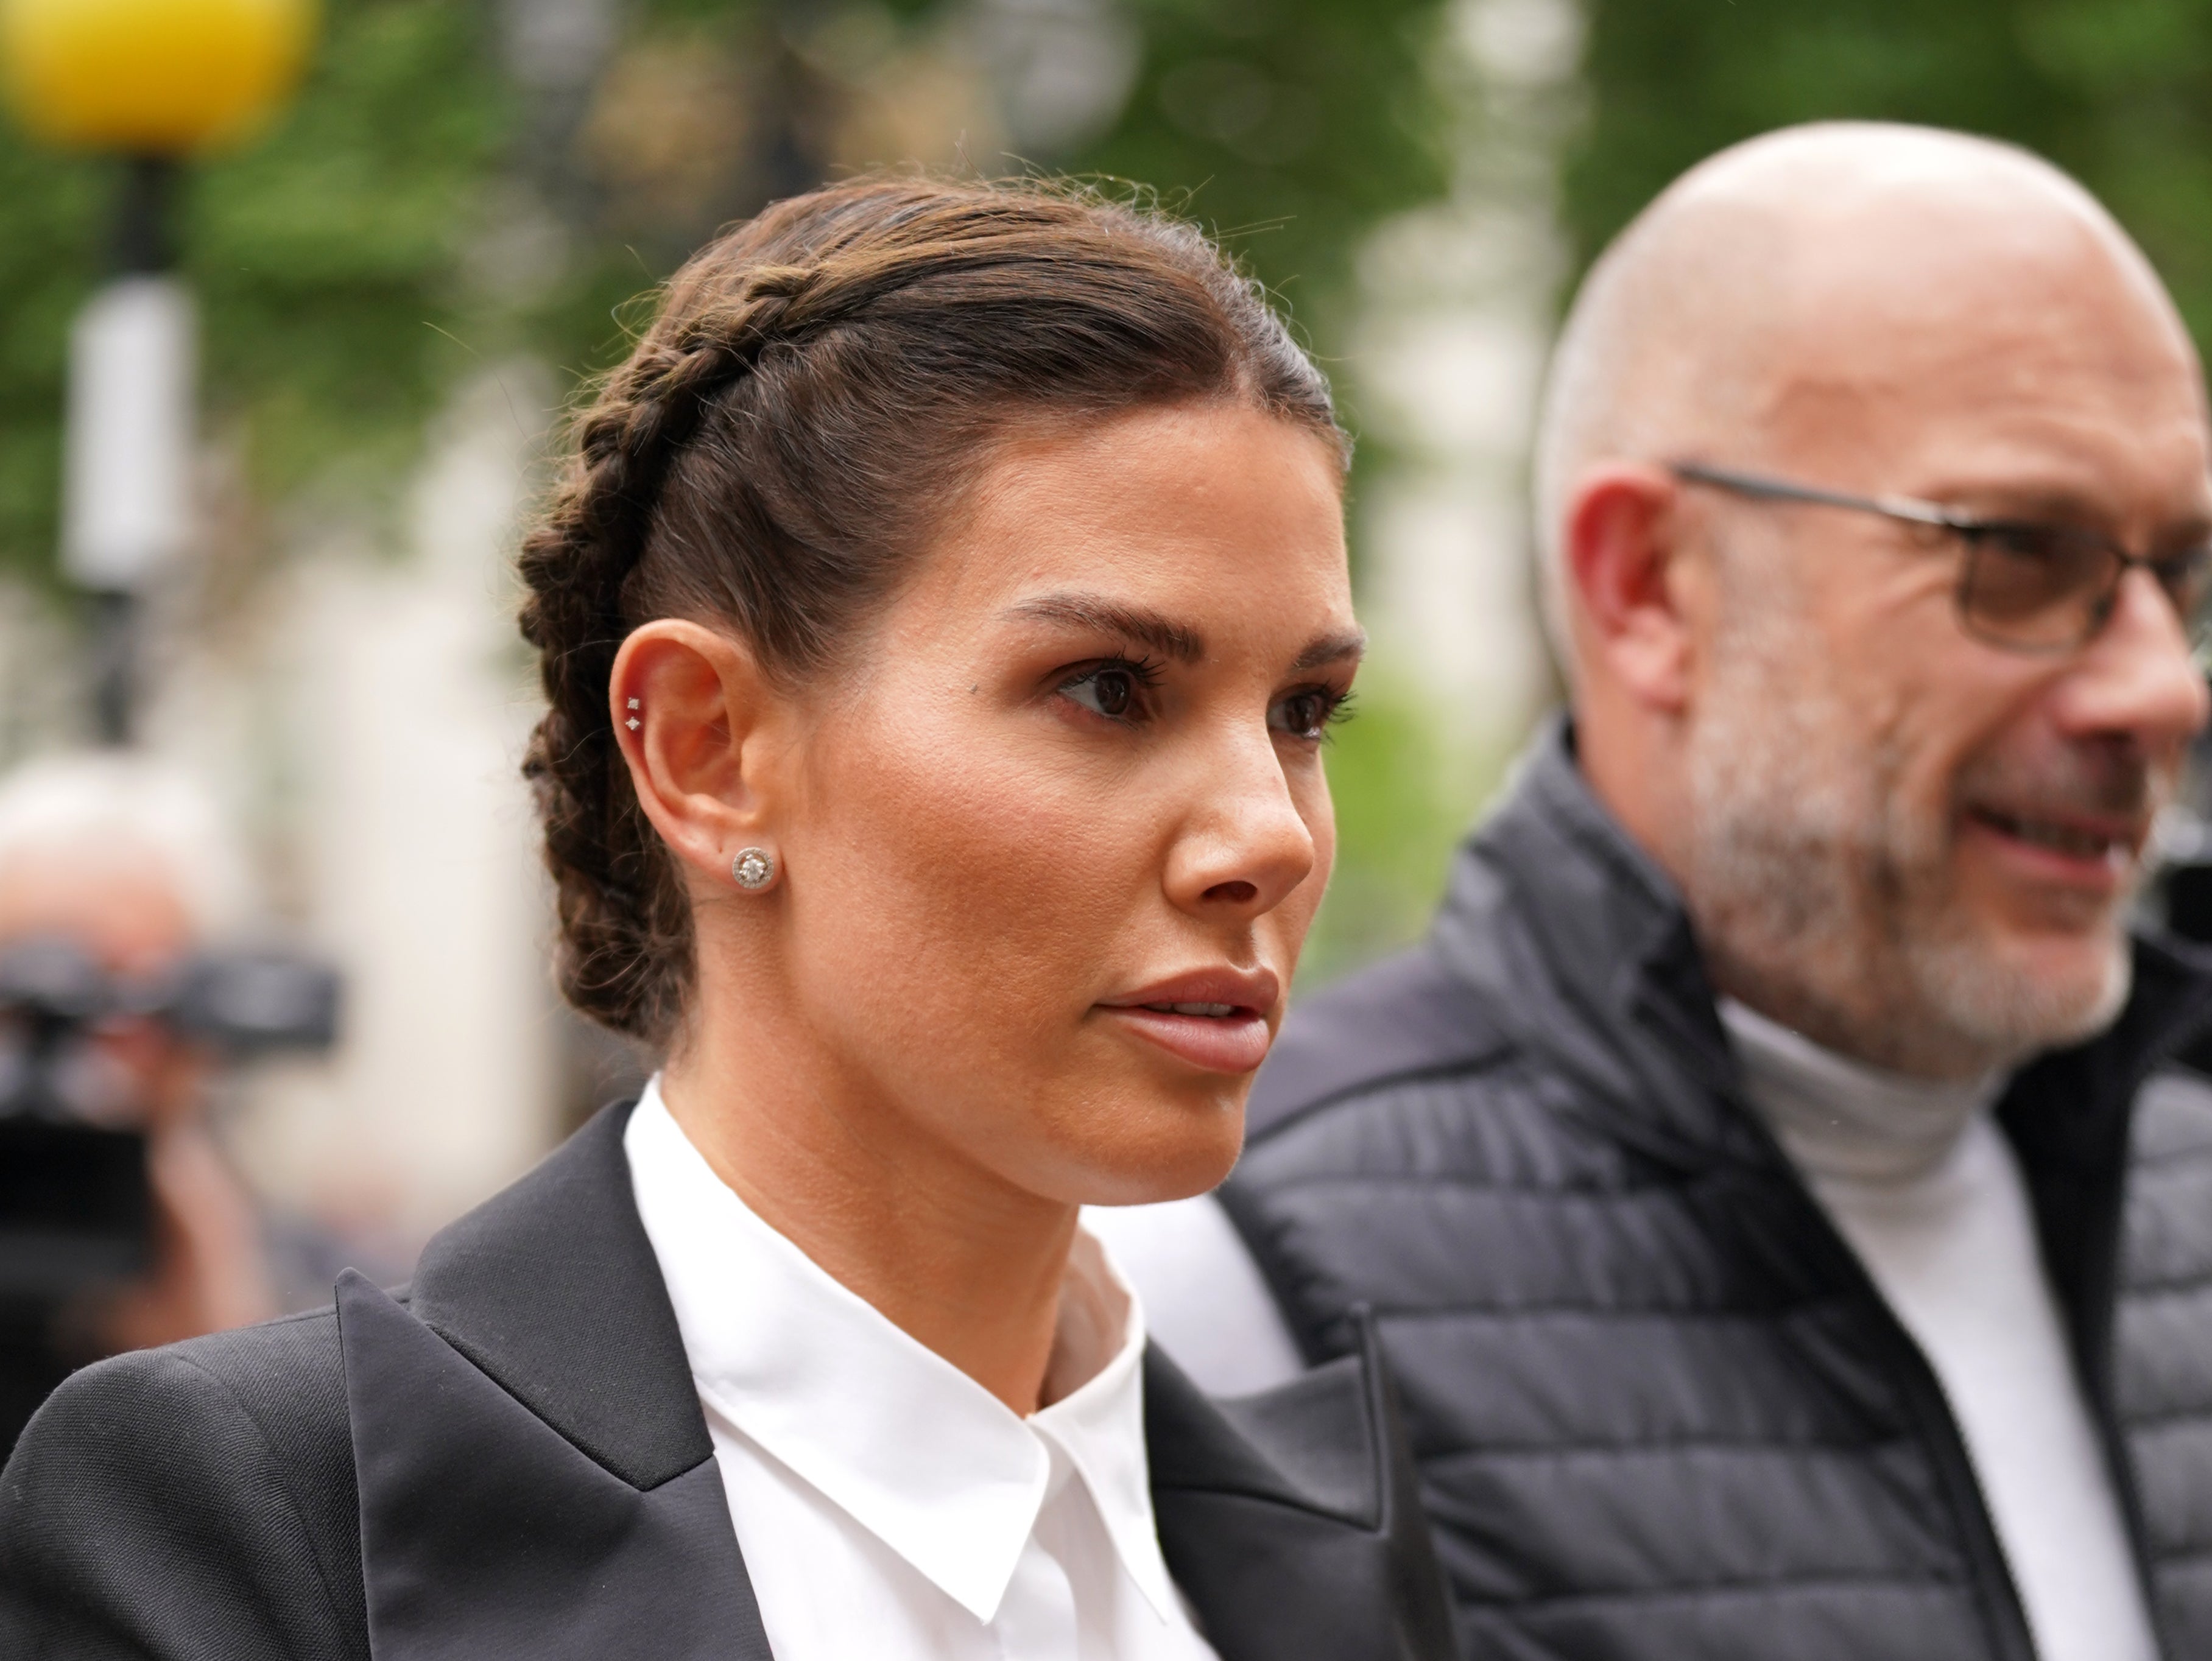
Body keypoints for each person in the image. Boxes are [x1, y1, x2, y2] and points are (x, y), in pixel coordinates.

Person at [0, 178, 1456, 1661]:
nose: (1268, 834)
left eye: (1300, 711)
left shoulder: (1319, 1541)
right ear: (704, 750)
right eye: (1106, 688)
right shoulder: (269, 1517)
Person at [1088, 122, 2212, 1660]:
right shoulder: (1213, 1281)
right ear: (1647, 590)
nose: (2155, 689)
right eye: (2017, 556)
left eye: (2180, 577)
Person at [0, 754, 282, 1459]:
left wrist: (225, 1350)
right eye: (21, 999)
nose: (78, 1059)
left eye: (129, 996)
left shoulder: (322, 1292)